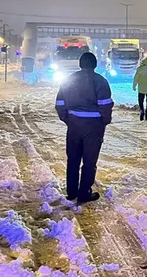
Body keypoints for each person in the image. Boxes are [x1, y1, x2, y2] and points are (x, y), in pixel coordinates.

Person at [54, 52, 113, 204]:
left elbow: (60, 104)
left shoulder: (69, 80)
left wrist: (68, 119)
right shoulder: (100, 81)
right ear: (95, 65)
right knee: (89, 161)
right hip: (93, 127)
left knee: (73, 159)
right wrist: (104, 121)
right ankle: (84, 192)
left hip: (74, 126)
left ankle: (72, 191)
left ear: (80, 64)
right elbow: (105, 105)